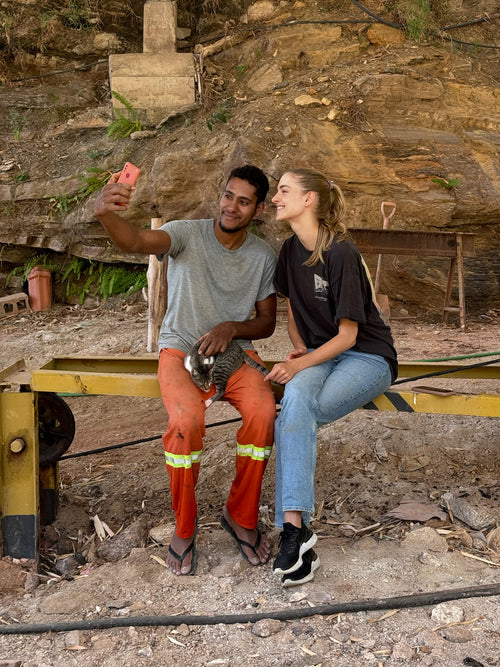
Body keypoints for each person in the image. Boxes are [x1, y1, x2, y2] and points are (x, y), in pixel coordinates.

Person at [94, 164, 277, 576]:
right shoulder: (185, 234)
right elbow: (137, 240)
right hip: (180, 349)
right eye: (228, 195)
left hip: (235, 353)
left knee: (264, 414)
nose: (232, 206)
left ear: (259, 209)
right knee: (185, 423)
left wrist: (232, 328)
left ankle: (241, 516)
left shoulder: (262, 255)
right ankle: (184, 525)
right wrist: (107, 214)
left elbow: (266, 322)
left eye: (244, 201)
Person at [265, 167, 398, 587]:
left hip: (367, 356)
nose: (275, 198)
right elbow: (292, 312)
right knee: (295, 408)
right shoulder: (288, 251)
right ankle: (295, 530)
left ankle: (294, 533)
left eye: (284, 191)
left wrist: (297, 365)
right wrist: (299, 346)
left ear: (309, 200)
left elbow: (349, 335)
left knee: (295, 413)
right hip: (319, 354)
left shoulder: (339, 252)